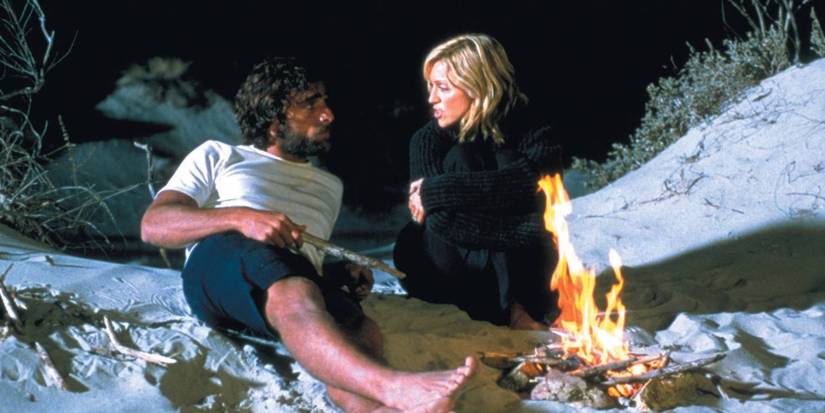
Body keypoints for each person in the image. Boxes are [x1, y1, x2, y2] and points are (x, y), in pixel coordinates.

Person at [141, 57, 476, 413]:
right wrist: (242, 218)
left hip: (279, 280)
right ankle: (396, 388)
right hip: (220, 263)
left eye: (325, 102)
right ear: (274, 120)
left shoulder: (329, 186)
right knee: (293, 287)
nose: (328, 114)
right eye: (311, 104)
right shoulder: (221, 156)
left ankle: (379, 409)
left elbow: (298, 260)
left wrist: (335, 272)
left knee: (358, 327)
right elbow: (154, 225)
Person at [394, 34, 563, 330]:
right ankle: (512, 308)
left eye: (443, 88)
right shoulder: (426, 140)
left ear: (478, 86)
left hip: (522, 263)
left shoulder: (533, 127)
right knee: (463, 155)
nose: (431, 98)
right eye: (430, 86)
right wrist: (529, 229)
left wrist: (437, 190)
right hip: (446, 264)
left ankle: (512, 304)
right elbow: (441, 222)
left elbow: (528, 181)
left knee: (506, 159)